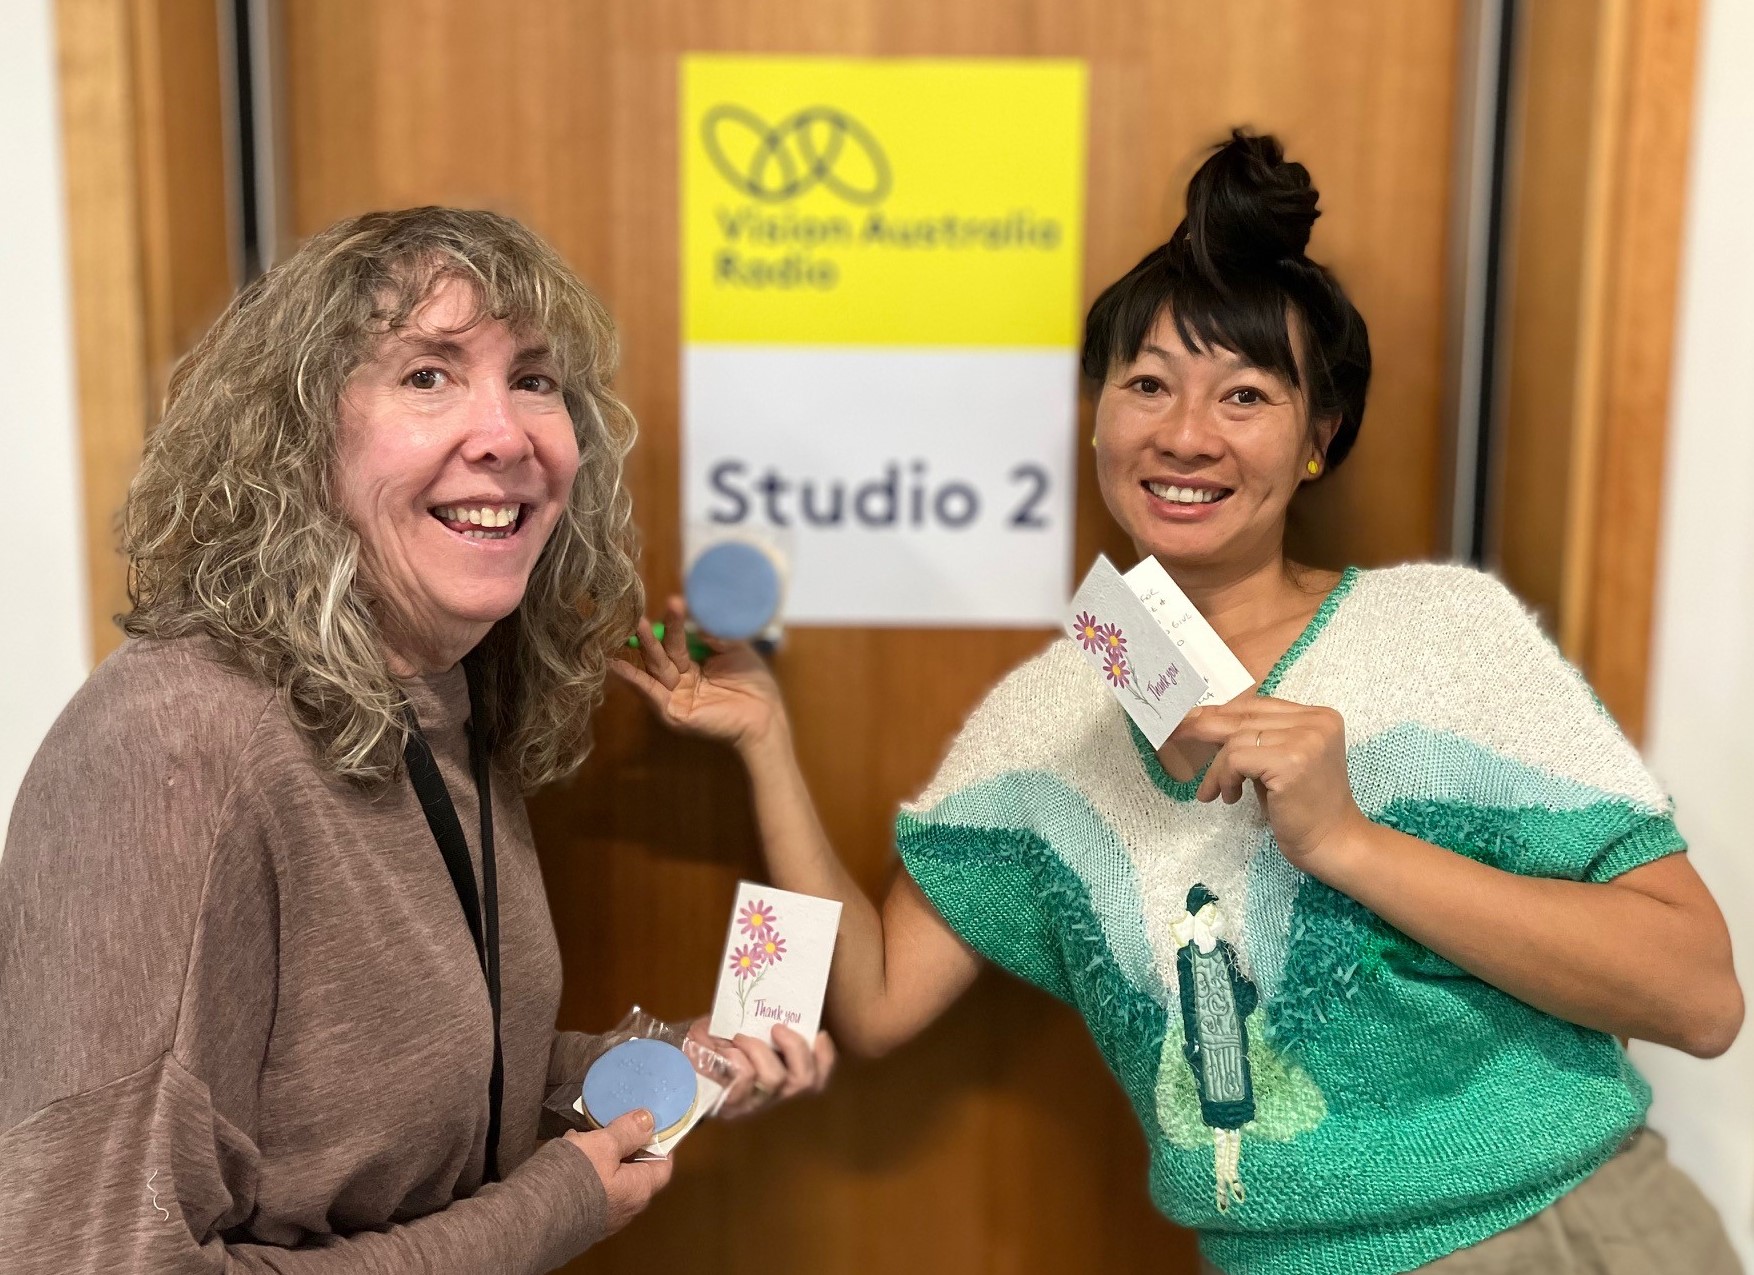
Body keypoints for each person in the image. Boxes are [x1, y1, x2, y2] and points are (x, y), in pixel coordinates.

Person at [617, 132, 1744, 1274]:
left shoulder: (1440, 634)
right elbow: (869, 1000)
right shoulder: (1048, 719)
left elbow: (1699, 998)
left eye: (1244, 395)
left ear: (1318, 439)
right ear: (1097, 419)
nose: (1184, 435)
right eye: (1145, 384)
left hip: (1567, 1239)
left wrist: (1347, 842)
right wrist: (764, 742)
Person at [0, 207, 833, 1273]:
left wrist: (656, 1070)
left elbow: (381, 1104)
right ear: (301, 441)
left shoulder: (441, 697)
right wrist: (550, 1208)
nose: (505, 434)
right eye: (428, 376)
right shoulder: (176, 749)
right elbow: (91, 1259)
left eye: (532, 379)